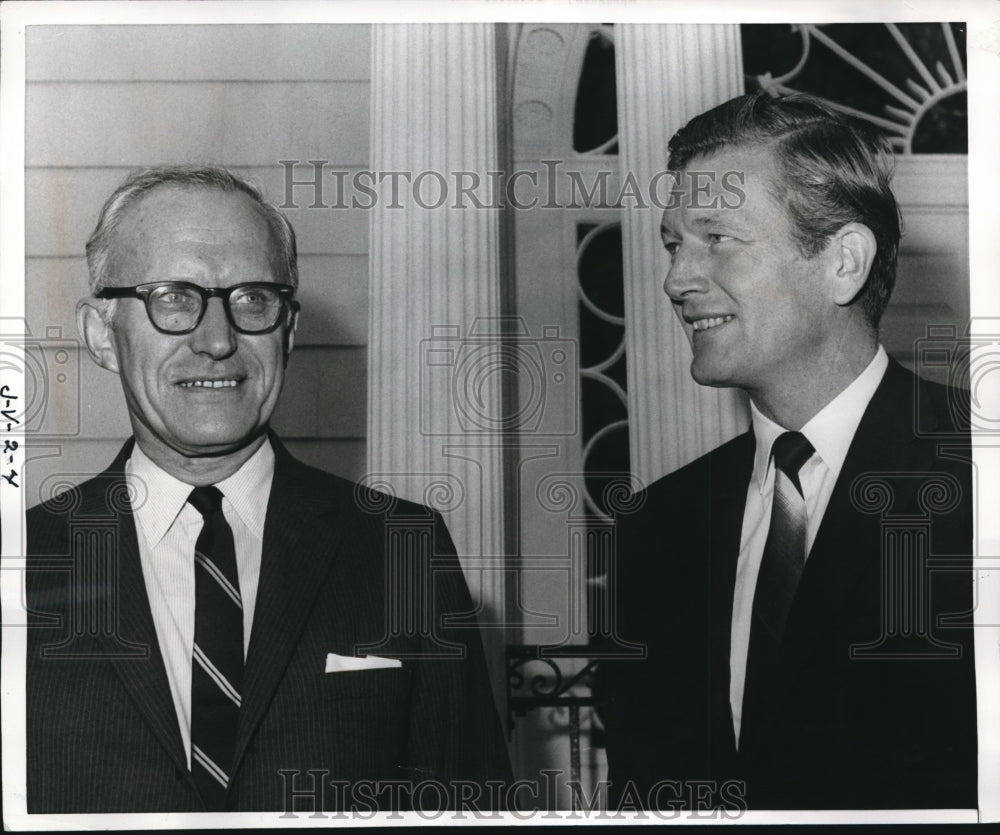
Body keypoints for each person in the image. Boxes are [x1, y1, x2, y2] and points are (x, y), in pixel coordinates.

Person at [25, 166, 511, 813]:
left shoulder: (404, 551)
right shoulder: (21, 559)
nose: (219, 340)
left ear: (290, 328)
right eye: (174, 297)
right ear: (100, 335)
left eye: (253, 299)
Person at [602, 92, 976, 810]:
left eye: (717, 238)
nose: (676, 279)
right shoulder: (656, 528)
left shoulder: (979, 473)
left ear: (843, 262)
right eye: (675, 243)